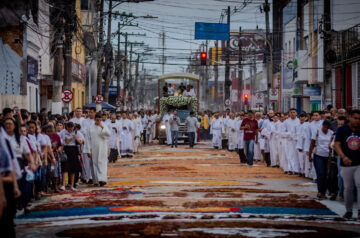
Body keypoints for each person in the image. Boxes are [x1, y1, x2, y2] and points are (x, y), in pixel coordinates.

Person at [334, 109, 360, 219]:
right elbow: (337, 144)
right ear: (349, 117)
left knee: (359, 184)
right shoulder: (342, 130)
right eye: (355, 118)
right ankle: (348, 210)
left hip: (359, 162)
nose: (357, 121)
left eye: (359, 119)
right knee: (348, 188)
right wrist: (343, 157)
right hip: (347, 163)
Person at [83, 113, 111, 187]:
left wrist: (102, 127)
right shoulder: (90, 128)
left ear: (101, 119)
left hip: (103, 148)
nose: (98, 121)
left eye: (99, 120)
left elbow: (108, 134)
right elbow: (87, 140)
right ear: (94, 119)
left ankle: (102, 179)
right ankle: (96, 180)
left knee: (102, 163)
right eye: (97, 120)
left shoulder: (104, 126)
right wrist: (88, 151)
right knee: (94, 164)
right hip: (93, 149)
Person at [309, 120, 334, 199]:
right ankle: (320, 191)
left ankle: (324, 191)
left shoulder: (331, 133)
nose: (325, 128)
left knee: (327, 174)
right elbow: (312, 143)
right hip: (318, 155)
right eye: (324, 126)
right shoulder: (317, 132)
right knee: (320, 173)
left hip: (328, 156)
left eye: (327, 127)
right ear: (322, 125)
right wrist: (310, 155)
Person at [58, 122, 84, 191]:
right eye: (68, 129)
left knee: (73, 169)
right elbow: (60, 141)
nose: (70, 131)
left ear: (74, 128)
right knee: (64, 167)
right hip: (66, 149)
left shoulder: (77, 132)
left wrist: (76, 138)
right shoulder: (63, 132)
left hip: (73, 150)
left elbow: (81, 142)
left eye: (71, 129)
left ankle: (72, 185)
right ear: (66, 127)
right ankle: (63, 185)